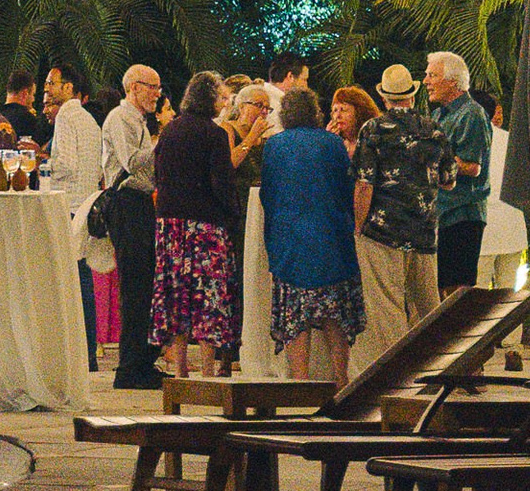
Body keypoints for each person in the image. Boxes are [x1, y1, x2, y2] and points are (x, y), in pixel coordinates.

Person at [258, 85, 365, 389]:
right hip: (330, 237)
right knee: (335, 313)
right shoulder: (333, 144)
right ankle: (341, 377)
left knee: (295, 315)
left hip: (289, 237)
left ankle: (301, 382)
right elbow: (347, 188)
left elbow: (269, 193)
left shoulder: (275, 146)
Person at [151, 70, 242, 375]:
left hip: (170, 226)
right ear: (210, 99)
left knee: (176, 295)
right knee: (207, 296)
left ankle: (179, 369)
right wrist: (232, 217)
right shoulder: (214, 135)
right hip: (204, 226)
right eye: (221, 97)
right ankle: (206, 370)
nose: (224, 103)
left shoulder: (170, 131)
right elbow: (222, 183)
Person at [353, 64, 442, 343]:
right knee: (429, 305)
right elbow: (448, 178)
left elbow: (364, 184)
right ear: (412, 97)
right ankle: (445, 364)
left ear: (384, 98)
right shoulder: (432, 128)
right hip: (423, 230)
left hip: (383, 230)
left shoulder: (373, 129)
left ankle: (397, 372)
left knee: (387, 304)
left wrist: (358, 225)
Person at [96, 64, 162, 385]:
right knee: (135, 285)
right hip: (125, 204)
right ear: (133, 88)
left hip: (140, 204)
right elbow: (132, 162)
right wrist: (163, 142)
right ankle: (129, 368)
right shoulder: (120, 119)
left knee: (145, 284)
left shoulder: (138, 121)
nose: (157, 94)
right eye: (152, 87)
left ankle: (141, 363)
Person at [41, 56, 107, 367]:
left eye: (52, 84)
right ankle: (88, 350)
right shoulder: (88, 119)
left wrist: (41, 164)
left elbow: (64, 164)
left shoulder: (67, 116)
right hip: (86, 203)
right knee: (82, 278)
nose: (47, 88)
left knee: (73, 279)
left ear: (69, 87)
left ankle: (81, 352)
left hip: (67, 205)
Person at [427, 50, 493, 289]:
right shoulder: (438, 114)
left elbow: (473, 167)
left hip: (462, 214)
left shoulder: (472, 114)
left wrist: (430, 160)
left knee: (457, 292)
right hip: (442, 213)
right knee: (440, 287)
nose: (426, 82)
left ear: (452, 81)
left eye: (432, 76)